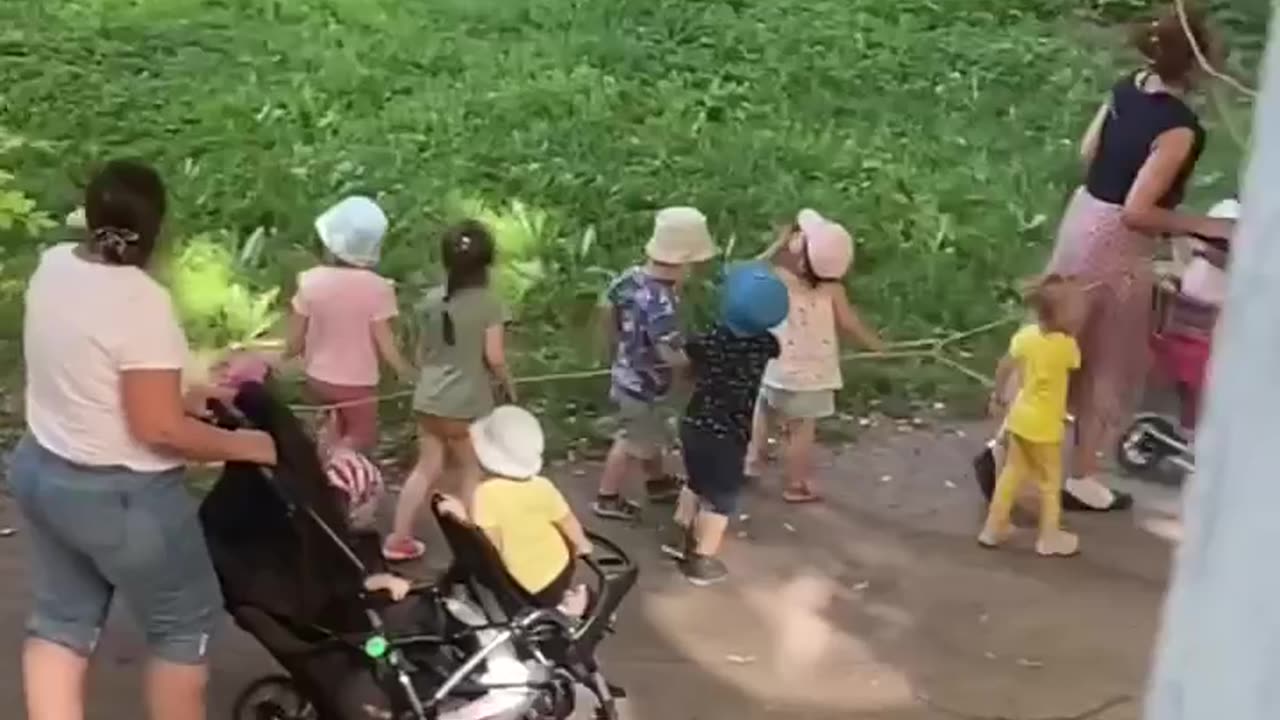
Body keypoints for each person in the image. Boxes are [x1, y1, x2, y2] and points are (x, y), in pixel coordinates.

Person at [11, 159, 277, 720]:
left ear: (90, 217)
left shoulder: (54, 266)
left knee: (61, 622)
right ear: (159, 227)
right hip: (123, 499)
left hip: (42, 470)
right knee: (183, 628)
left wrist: (179, 394)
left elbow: (90, 369)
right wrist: (251, 446)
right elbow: (155, 428)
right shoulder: (140, 304)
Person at [1047, 7, 1234, 511]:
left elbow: (1090, 152)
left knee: (1056, 337)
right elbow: (1138, 211)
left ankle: (1009, 448)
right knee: (1112, 357)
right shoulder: (1180, 129)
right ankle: (1083, 476)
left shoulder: (1127, 86)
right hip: (1117, 245)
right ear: (1199, 65)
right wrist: (1203, 225)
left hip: (1081, 216)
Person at [384, 220, 515, 562]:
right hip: (467, 402)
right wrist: (509, 387)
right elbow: (495, 357)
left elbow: (419, 352)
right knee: (472, 469)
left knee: (427, 467)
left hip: (428, 398)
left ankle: (398, 538)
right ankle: (477, 544)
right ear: (487, 263)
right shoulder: (490, 304)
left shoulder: (430, 301)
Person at [744, 209, 886, 502]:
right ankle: (795, 484)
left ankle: (752, 462)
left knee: (763, 412)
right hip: (812, 378)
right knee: (801, 430)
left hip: (774, 367)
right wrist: (875, 345)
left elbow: (750, 269)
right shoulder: (832, 289)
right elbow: (849, 324)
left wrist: (776, 244)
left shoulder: (779, 278)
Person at [660, 263, 788, 585]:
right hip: (729, 435)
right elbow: (773, 343)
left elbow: (685, 352)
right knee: (721, 499)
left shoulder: (711, 340)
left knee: (696, 481)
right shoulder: (766, 345)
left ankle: (677, 534)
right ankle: (701, 559)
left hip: (694, 423)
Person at [592, 207, 717, 521]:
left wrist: (616, 343)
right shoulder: (662, 302)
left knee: (650, 433)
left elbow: (606, 306)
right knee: (630, 440)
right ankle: (607, 496)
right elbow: (669, 352)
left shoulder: (631, 278)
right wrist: (692, 368)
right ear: (684, 262)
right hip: (643, 384)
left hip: (628, 372)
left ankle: (657, 482)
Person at [285, 196, 413, 453]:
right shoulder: (378, 288)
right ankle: (343, 467)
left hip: (317, 377)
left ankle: (324, 463)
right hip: (358, 382)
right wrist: (405, 371)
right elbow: (384, 342)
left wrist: (285, 358)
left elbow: (294, 340)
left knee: (331, 427)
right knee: (360, 436)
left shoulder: (309, 281)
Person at [438, 406, 592, 613]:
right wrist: (582, 544)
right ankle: (567, 604)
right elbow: (567, 521)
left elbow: (489, 547)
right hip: (558, 571)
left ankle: (560, 609)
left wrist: (462, 519)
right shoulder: (543, 486)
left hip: (519, 583)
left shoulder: (486, 494)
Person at [980, 275, 1083, 557]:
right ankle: (1049, 536)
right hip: (1046, 427)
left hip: (1020, 419)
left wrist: (998, 396)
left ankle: (993, 527)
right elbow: (1072, 372)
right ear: (1064, 314)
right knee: (1050, 482)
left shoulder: (1026, 336)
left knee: (1012, 474)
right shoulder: (1067, 347)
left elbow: (1004, 366)